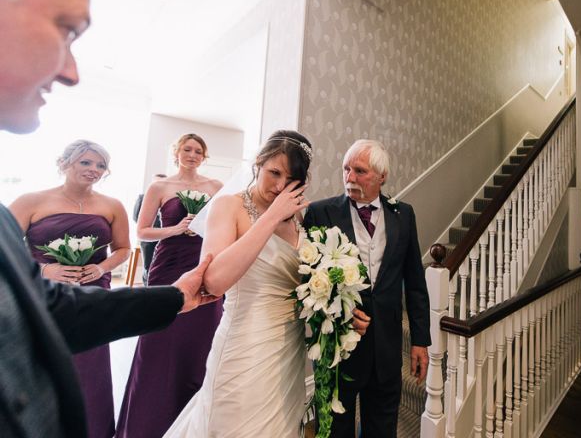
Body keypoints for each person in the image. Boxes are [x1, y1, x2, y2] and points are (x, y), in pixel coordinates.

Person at [0, 0, 218, 436]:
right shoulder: (28, 201)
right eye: (64, 29)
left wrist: (175, 296)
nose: (73, 72)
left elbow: (48, 311)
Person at [164, 130, 370, 437]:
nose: (280, 186)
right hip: (245, 346)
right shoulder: (229, 207)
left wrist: (340, 315)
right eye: (274, 173)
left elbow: (304, 290)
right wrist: (270, 217)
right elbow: (214, 282)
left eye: (291, 179)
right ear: (258, 163)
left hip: (289, 353)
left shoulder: (298, 220)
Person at [303, 139, 431, 438]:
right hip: (337, 351)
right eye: (346, 169)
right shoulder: (320, 213)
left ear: (382, 176)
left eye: (360, 171)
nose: (350, 177)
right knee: (335, 431)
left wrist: (420, 340)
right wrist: (339, 316)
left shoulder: (404, 215)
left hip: (386, 348)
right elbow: (307, 281)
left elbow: (415, 281)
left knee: (382, 429)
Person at [9, 139, 130, 438]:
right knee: (45, 358)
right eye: (85, 162)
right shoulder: (30, 201)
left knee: (90, 361)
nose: (94, 170)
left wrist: (101, 268)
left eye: (100, 165)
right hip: (43, 292)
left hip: (93, 293)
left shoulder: (112, 206)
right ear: (63, 163)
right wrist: (44, 269)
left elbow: (123, 248)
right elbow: (5, 247)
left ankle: (92, 429)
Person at [116, 133, 224, 437]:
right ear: (176, 153)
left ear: (204, 156)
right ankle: (149, 418)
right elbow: (143, 231)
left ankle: (194, 422)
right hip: (169, 264)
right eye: (187, 149)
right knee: (160, 336)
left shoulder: (215, 187)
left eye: (198, 151)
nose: (192, 154)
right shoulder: (160, 187)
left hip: (204, 261)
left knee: (202, 336)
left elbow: (224, 224)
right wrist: (176, 229)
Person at [133, 173, 166, 285]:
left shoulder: (169, 198)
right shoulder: (142, 197)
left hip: (165, 237)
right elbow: (135, 217)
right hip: (148, 239)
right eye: (156, 183)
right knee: (148, 266)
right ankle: (146, 287)